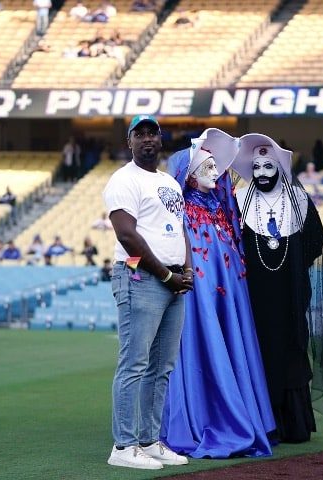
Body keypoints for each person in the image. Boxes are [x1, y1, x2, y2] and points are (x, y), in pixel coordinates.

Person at [162, 129, 275, 458]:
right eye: (207, 167)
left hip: (223, 301)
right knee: (201, 346)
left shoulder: (219, 215)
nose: (216, 172)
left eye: (215, 166)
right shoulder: (185, 215)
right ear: (190, 176)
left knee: (228, 342)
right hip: (198, 304)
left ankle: (235, 416)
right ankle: (203, 417)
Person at [233, 133, 323, 443]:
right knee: (257, 350)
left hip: (291, 297)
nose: (263, 173)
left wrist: (291, 269)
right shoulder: (240, 201)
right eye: (256, 167)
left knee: (292, 350)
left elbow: (315, 242)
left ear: (280, 166)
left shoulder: (299, 200)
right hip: (254, 298)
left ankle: (292, 422)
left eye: (269, 166)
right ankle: (260, 421)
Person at [103, 115, 193, 470]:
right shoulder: (123, 179)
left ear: (161, 139)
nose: (146, 139)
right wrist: (164, 273)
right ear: (129, 142)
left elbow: (179, 229)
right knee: (135, 364)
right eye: (138, 134)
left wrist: (185, 270)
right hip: (139, 275)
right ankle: (123, 447)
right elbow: (127, 237)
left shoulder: (169, 181)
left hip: (171, 281)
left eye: (152, 133)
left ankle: (149, 441)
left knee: (162, 367)